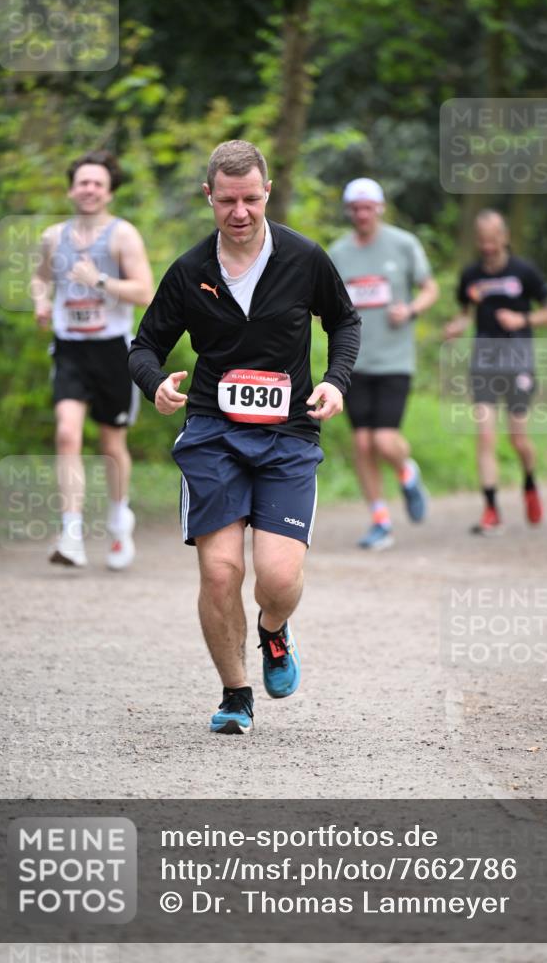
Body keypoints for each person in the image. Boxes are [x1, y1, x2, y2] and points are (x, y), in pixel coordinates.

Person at [129, 140, 360, 736]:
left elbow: (344, 321)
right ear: (209, 196)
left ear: (266, 195)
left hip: (288, 434)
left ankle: (274, 632)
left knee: (277, 579)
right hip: (212, 431)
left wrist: (335, 381)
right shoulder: (189, 271)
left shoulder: (304, 259)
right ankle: (235, 693)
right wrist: (155, 384)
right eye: (227, 200)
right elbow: (143, 345)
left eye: (251, 199)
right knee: (221, 572)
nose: (240, 212)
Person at [31, 150, 154, 569]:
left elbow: (145, 292)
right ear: (71, 189)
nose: (89, 189)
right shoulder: (53, 237)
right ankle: (71, 534)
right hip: (70, 349)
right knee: (67, 434)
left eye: (97, 183)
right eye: (82, 182)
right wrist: (41, 302)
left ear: (109, 192)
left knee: (110, 444)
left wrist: (98, 279)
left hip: (113, 350)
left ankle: (120, 520)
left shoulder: (123, 236)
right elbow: (39, 277)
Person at [328, 178, 439, 550]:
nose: (362, 214)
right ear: (349, 211)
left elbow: (430, 288)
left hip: (394, 360)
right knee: (362, 443)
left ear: (380, 207)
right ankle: (380, 519)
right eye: (355, 208)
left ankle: (407, 473)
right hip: (353, 361)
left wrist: (410, 309)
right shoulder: (338, 253)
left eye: (368, 207)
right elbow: (326, 301)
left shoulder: (403, 244)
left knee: (384, 439)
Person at [444, 209, 547, 534]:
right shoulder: (471, 276)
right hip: (483, 362)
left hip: (519, 361)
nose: (488, 247)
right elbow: (465, 314)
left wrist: (523, 320)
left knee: (518, 439)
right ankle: (491, 509)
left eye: (493, 240)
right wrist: (456, 326)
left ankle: (530, 483)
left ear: (504, 238)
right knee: (485, 436)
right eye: (482, 241)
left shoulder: (524, 272)